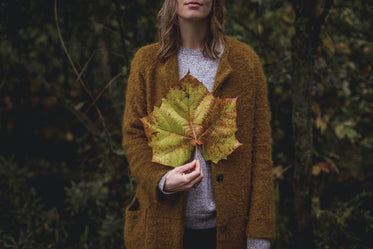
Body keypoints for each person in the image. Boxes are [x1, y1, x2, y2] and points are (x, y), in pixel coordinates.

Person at [121, 0, 275, 248]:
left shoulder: (245, 63)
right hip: (163, 225)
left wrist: (258, 234)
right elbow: (133, 136)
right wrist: (161, 181)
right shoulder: (147, 62)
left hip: (228, 231)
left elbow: (260, 153)